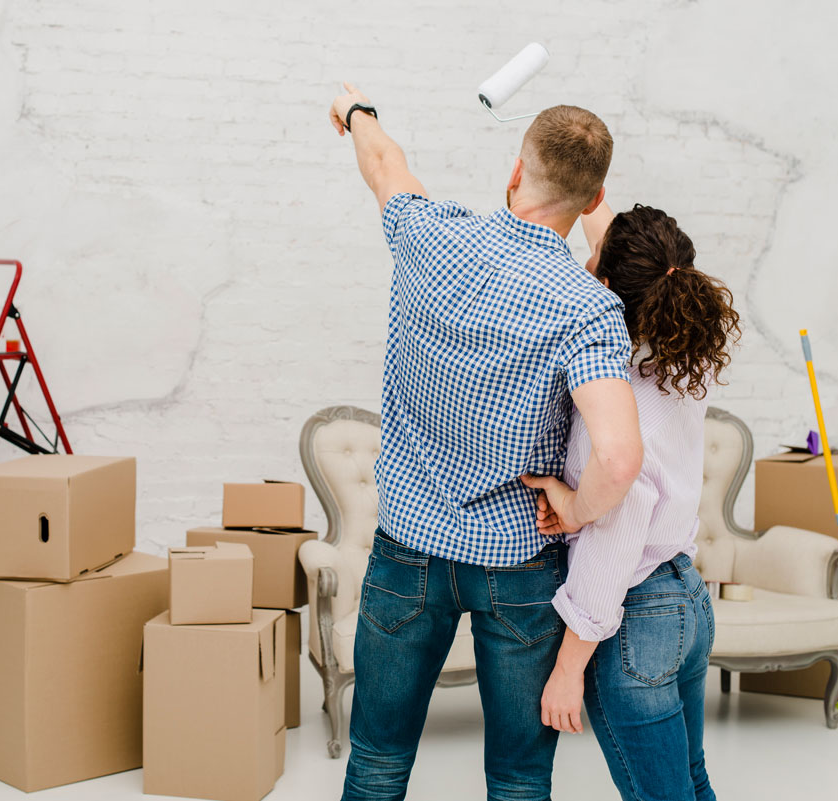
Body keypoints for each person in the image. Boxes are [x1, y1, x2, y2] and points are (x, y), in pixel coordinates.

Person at [328, 81, 644, 801]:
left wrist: (356, 114)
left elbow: (383, 163)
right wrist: (573, 505)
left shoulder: (428, 234)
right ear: (593, 200)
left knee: (376, 762)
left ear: (513, 171)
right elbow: (621, 457)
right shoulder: (588, 308)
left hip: (408, 546)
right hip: (519, 565)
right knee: (518, 776)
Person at [525, 202, 741, 801]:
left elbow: (611, 550)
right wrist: (591, 194)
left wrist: (567, 672)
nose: (586, 260)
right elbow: (633, 251)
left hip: (636, 618)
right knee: (690, 783)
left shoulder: (616, 399)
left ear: (609, 286)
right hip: (687, 604)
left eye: (595, 261)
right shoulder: (684, 357)